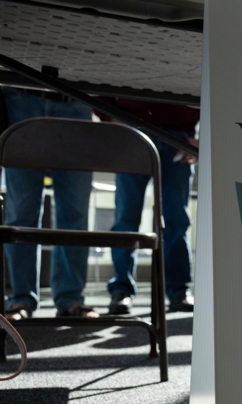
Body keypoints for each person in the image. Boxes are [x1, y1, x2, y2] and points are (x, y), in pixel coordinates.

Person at [1, 87, 98, 319]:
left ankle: (71, 298)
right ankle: (21, 299)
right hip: (22, 98)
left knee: (75, 214)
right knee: (21, 213)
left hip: (76, 99)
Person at [100, 99, 199, 314]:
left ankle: (179, 291)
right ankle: (121, 290)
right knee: (127, 218)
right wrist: (109, 117)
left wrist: (206, 135)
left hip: (180, 133)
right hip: (133, 127)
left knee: (177, 219)